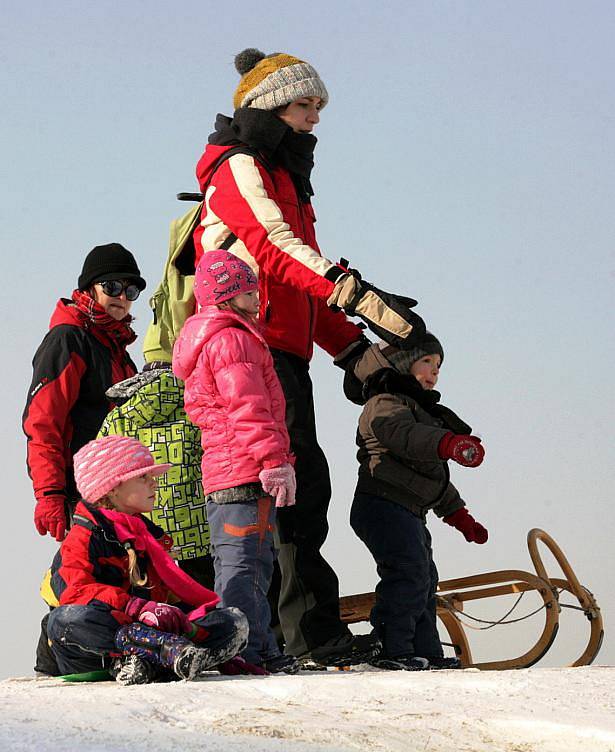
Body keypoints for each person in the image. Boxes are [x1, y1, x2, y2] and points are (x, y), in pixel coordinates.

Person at [191, 47, 422, 665]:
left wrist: (355, 352)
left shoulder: (289, 176)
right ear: (269, 105)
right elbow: (272, 249)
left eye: (319, 106)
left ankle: (297, 632)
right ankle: (299, 635)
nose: (315, 118)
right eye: (304, 105)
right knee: (284, 487)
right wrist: (355, 293)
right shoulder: (237, 165)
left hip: (283, 354)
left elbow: (299, 283)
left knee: (305, 485)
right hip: (243, 350)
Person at [173, 251, 299, 674]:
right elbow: (249, 406)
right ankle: (248, 651)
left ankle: (256, 650)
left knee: (245, 566)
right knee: (246, 569)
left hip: (231, 471)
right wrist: (273, 460)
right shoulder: (233, 339)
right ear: (227, 296)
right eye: (248, 290)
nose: (257, 296)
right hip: (245, 471)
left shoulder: (218, 337)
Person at [23, 242, 145, 674]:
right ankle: (53, 663)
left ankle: (86, 658)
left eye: (131, 290)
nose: (121, 296)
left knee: (112, 575)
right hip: (79, 487)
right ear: (89, 288)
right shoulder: (69, 339)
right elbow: (43, 422)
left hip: (114, 490)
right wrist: (50, 492)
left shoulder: (117, 349)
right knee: (78, 577)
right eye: (112, 285)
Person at [44, 435, 250, 685]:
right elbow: (75, 592)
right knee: (65, 619)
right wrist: (136, 607)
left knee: (232, 620)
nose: (154, 484)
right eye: (143, 477)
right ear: (112, 487)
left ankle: (161, 660)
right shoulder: (83, 536)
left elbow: (166, 599)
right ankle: (159, 654)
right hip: (97, 648)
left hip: (151, 632)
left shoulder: (148, 537)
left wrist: (180, 617)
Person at [348, 334, 488, 670]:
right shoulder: (386, 403)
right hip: (382, 504)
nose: (434, 372)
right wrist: (447, 443)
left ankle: (425, 651)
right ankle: (391, 648)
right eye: (427, 362)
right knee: (407, 573)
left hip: (408, 509)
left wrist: (460, 516)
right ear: (402, 362)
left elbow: (430, 480)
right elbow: (405, 438)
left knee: (425, 578)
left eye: (438, 367)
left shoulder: (421, 412)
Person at [98, 363, 215, 589]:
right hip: (201, 529)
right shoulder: (199, 406)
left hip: (144, 533)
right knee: (207, 603)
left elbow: (103, 475)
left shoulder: (118, 418)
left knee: (156, 607)